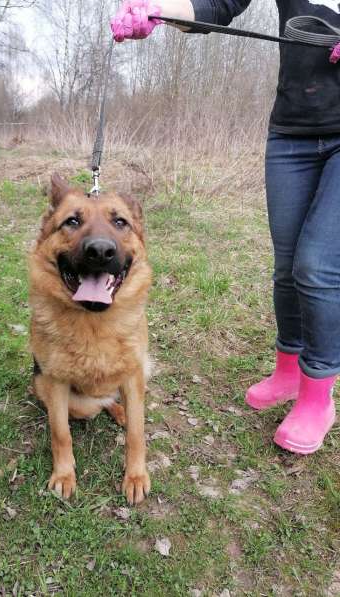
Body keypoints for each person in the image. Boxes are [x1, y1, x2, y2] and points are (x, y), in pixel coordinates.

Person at [110, 0, 340, 454]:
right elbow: (216, 4)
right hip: (291, 134)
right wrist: (158, 11)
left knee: (316, 266)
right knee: (287, 265)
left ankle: (318, 394)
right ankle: (288, 371)